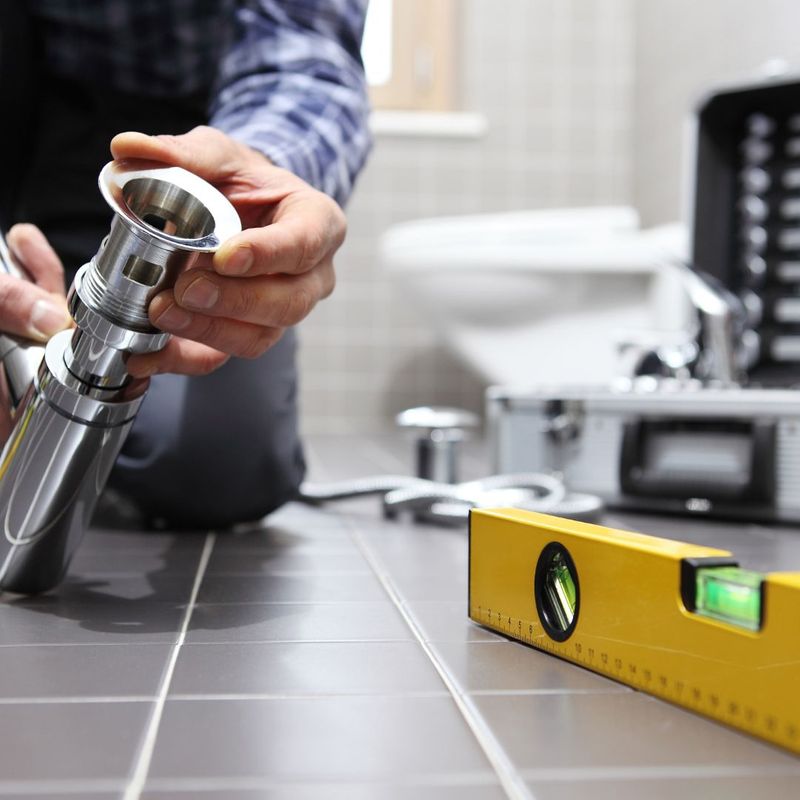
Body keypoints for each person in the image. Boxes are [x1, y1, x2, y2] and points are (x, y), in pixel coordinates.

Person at [0, 1, 372, 528]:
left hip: (222, 138)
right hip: (39, 130)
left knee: (219, 462)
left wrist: (262, 176)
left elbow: (305, 52)